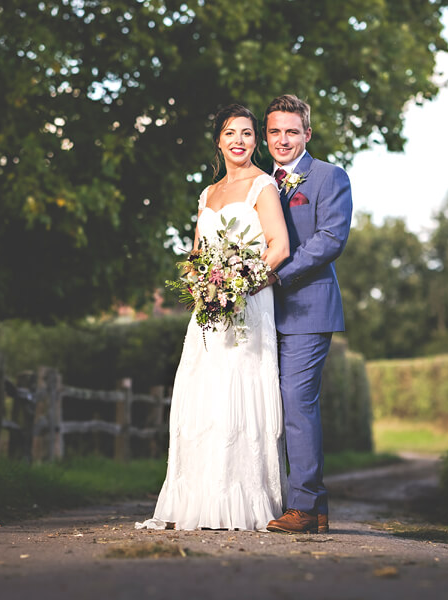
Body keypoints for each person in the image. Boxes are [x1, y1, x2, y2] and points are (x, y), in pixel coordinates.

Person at [137, 104, 291, 531]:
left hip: (249, 303)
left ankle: (242, 500)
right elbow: (197, 253)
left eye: (246, 133)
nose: (239, 140)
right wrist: (201, 286)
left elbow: (278, 247)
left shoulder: (264, 185)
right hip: (210, 310)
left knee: (238, 394)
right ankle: (199, 501)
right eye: (230, 133)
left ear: (255, 141)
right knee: (203, 394)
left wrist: (240, 287)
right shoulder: (207, 193)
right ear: (219, 141)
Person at [262, 94, 353, 534]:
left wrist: (278, 276)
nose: (283, 139)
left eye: (291, 131)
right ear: (267, 136)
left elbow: (330, 239)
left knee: (298, 403)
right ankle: (310, 509)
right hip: (260, 313)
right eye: (275, 131)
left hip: (308, 307)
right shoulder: (261, 183)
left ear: (307, 134)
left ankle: (304, 504)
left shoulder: (328, 177)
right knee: (269, 405)